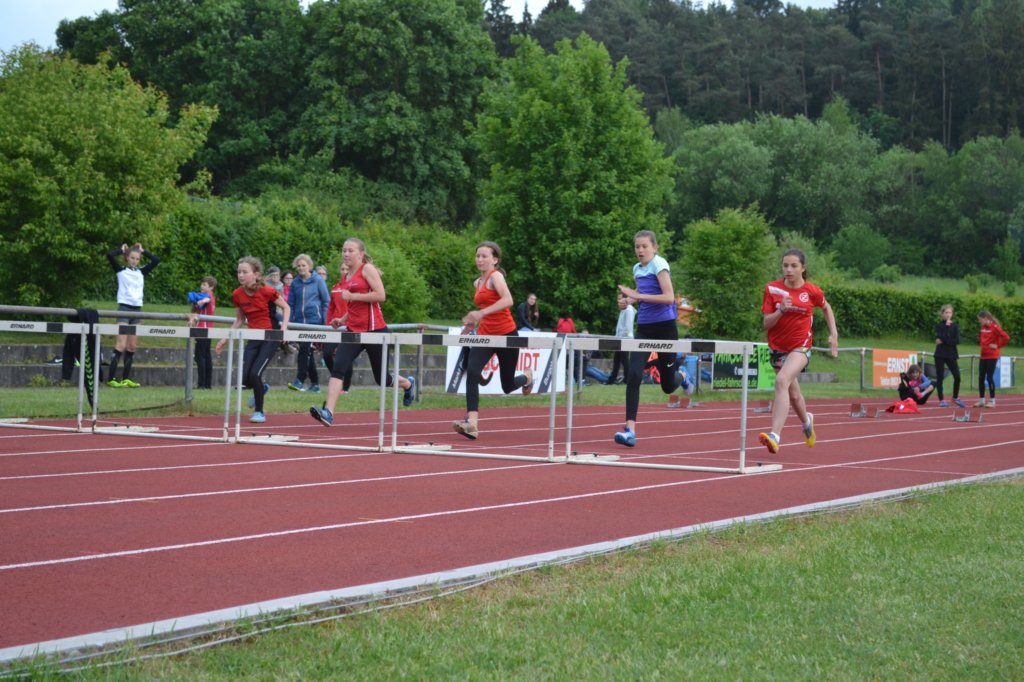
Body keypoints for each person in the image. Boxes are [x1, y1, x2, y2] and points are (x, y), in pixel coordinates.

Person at [310, 239, 414, 427]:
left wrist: (353, 296)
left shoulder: (367, 270)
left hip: (375, 330)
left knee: (382, 378)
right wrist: (342, 319)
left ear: (360, 253)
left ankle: (407, 384)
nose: (346, 254)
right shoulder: (346, 276)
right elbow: (353, 305)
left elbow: (380, 295)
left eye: (350, 250)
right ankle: (328, 413)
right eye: (344, 250)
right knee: (338, 367)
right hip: (353, 330)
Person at [612, 230, 693, 448]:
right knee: (633, 374)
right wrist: (628, 301)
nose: (640, 250)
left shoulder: (660, 264)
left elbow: (668, 297)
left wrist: (637, 295)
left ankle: (682, 375)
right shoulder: (637, 269)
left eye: (644, 246)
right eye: (637, 246)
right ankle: (630, 430)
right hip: (645, 329)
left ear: (654, 248)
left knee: (667, 386)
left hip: (666, 329)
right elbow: (642, 293)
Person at [757, 248, 839, 455]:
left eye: (794, 266)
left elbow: (826, 307)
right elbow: (766, 323)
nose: (789, 269)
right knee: (793, 394)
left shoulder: (812, 291)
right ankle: (807, 422)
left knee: (781, 381)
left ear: (803, 268)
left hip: (801, 347)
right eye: (785, 265)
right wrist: (780, 310)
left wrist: (833, 334)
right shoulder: (772, 289)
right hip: (777, 348)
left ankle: (775, 436)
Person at [452, 241, 534, 439]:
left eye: (484, 256)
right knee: (472, 372)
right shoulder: (477, 283)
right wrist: (471, 325)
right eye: (477, 256)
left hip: (506, 335)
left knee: (507, 386)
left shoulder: (496, 276)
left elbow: (508, 300)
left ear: (495, 260)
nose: (479, 259)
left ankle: (527, 378)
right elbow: (484, 310)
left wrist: (481, 313)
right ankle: (472, 423)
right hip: (485, 336)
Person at [215, 257, 290, 423]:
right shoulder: (237, 294)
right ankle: (261, 389)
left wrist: (284, 329)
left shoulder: (267, 291)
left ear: (256, 274)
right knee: (244, 377)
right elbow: (240, 320)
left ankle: (259, 412)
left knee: (255, 374)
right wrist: (224, 339)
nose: (241, 275)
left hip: (270, 337)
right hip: (254, 337)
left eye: (245, 272)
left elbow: (286, 307)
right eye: (239, 272)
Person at [106, 242, 160, 388]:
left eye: (137, 258)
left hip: (137, 311)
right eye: (132, 258)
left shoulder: (141, 272)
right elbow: (109, 255)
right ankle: (111, 378)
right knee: (121, 344)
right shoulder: (121, 270)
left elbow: (156, 260)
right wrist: (121, 250)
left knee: (132, 346)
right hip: (124, 308)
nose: (134, 261)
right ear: (127, 258)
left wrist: (143, 251)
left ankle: (126, 379)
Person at [287, 254, 330, 393]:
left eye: (303, 265)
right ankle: (315, 383)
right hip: (299, 322)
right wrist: (290, 323)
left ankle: (299, 380)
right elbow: (290, 304)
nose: (301, 268)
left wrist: (324, 321)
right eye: (299, 266)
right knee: (307, 351)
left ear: (309, 266)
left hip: (314, 321)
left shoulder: (318, 280)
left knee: (304, 349)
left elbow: (326, 301)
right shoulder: (295, 283)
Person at [323, 261, 355, 393]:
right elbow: (331, 308)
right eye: (342, 269)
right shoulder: (335, 288)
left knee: (345, 357)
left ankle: (345, 387)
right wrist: (328, 325)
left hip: (349, 327)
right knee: (327, 354)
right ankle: (337, 379)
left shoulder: (355, 288)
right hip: (335, 327)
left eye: (347, 269)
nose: (345, 271)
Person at [187, 276, 217, 389]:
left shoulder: (208, 297)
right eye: (202, 284)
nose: (202, 286)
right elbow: (195, 310)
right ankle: (207, 384)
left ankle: (202, 384)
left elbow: (206, 300)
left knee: (200, 357)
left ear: (211, 287)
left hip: (203, 329)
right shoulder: (208, 297)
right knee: (206, 356)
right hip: (208, 329)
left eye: (205, 285)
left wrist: (201, 301)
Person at [976, 310, 1011, 408]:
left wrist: (997, 345)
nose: (979, 321)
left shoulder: (995, 327)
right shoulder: (983, 328)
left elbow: (1006, 337)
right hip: (983, 355)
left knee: (989, 377)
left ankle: (992, 400)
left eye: (980, 319)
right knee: (981, 377)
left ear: (985, 318)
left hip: (992, 356)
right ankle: (982, 400)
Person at [933, 303, 965, 408]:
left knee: (957, 377)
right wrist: (946, 328)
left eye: (950, 312)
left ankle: (955, 397)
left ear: (952, 314)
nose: (948, 314)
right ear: (942, 314)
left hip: (951, 354)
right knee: (940, 377)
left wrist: (944, 340)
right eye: (946, 312)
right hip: (940, 354)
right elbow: (941, 336)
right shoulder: (939, 326)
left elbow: (957, 340)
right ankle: (941, 400)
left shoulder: (955, 326)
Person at [606, 292, 636, 384]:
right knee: (617, 360)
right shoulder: (624, 310)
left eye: (620, 299)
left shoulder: (629, 310)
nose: (618, 301)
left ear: (625, 300)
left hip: (625, 339)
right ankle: (612, 379)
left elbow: (627, 327)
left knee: (624, 359)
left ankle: (627, 379)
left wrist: (621, 338)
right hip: (619, 339)